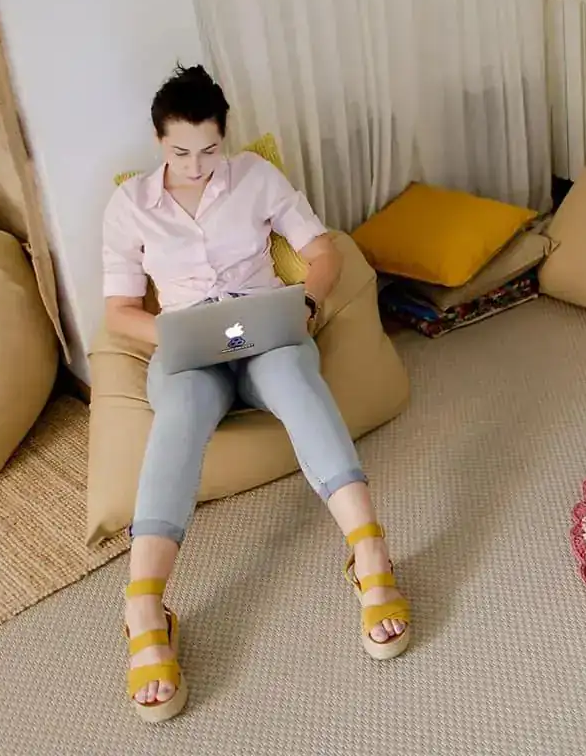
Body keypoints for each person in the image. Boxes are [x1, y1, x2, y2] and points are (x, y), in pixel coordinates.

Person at [103, 66, 411, 722]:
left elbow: (320, 250)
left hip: (268, 332)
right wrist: (170, 331)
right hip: (189, 353)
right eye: (180, 152)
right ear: (159, 143)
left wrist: (307, 300)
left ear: (225, 138)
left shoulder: (256, 177)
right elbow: (118, 311)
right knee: (179, 416)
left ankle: (369, 552)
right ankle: (143, 602)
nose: (196, 165)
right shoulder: (130, 203)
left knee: (299, 383)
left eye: (209, 150)